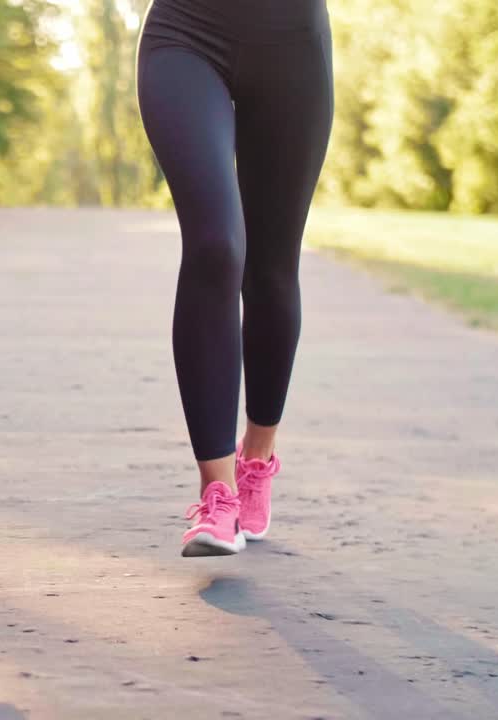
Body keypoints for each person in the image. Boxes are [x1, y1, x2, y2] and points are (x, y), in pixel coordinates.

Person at [136, 0, 333, 556]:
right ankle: (216, 493)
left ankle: (257, 460)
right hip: (185, 33)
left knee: (271, 269)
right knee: (217, 245)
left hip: (293, 44)